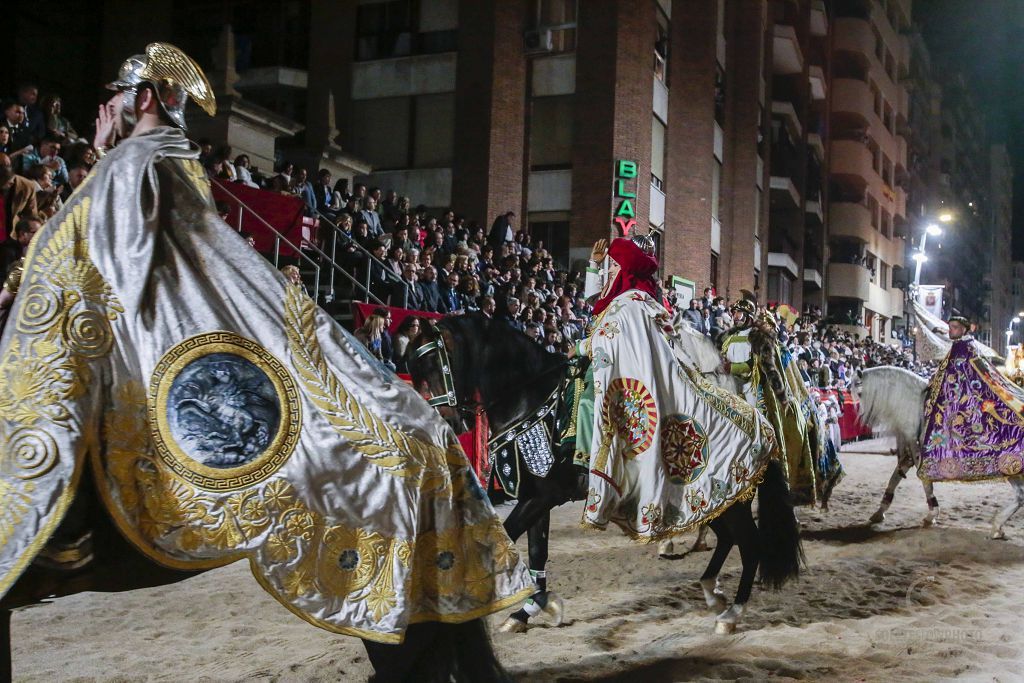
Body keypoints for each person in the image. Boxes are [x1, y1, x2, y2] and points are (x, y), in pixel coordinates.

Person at [0, 42, 530, 659]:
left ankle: (65, 534)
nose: (102, 111)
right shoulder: (163, 160)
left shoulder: (132, 165)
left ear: (142, 99)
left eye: (111, 99)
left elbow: (109, 268)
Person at [567, 238, 779, 570]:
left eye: (611, 265)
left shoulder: (632, 304)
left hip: (639, 384)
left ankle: (586, 463)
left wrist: (580, 348)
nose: (608, 270)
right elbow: (598, 304)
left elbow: (608, 337)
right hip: (629, 374)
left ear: (624, 269)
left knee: (587, 406)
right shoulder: (631, 301)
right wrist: (592, 266)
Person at [719, 299, 817, 506]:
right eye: (733, 313)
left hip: (752, 393)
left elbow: (762, 368)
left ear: (747, 316)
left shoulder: (759, 339)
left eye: (739, 314)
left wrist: (782, 397)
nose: (735, 317)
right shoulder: (725, 338)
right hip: (728, 391)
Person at [919, 315, 1024, 483]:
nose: (951, 330)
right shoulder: (961, 345)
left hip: (966, 400)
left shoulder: (963, 347)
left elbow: (960, 375)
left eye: (954, 327)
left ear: (964, 330)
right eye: (950, 326)